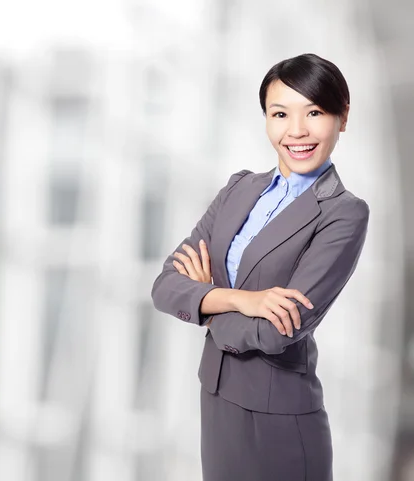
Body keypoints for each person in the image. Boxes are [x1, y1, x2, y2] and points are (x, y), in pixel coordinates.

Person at [151, 53, 370, 481]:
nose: (297, 130)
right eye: (280, 113)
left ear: (342, 117)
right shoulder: (238, 189)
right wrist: (242, 300)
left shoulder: (343, 213)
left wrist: (205, 303)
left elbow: (275, 332)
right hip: (216, 398)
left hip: (280, 419)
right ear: (266, 119)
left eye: (315, 112)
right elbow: (165, 286)